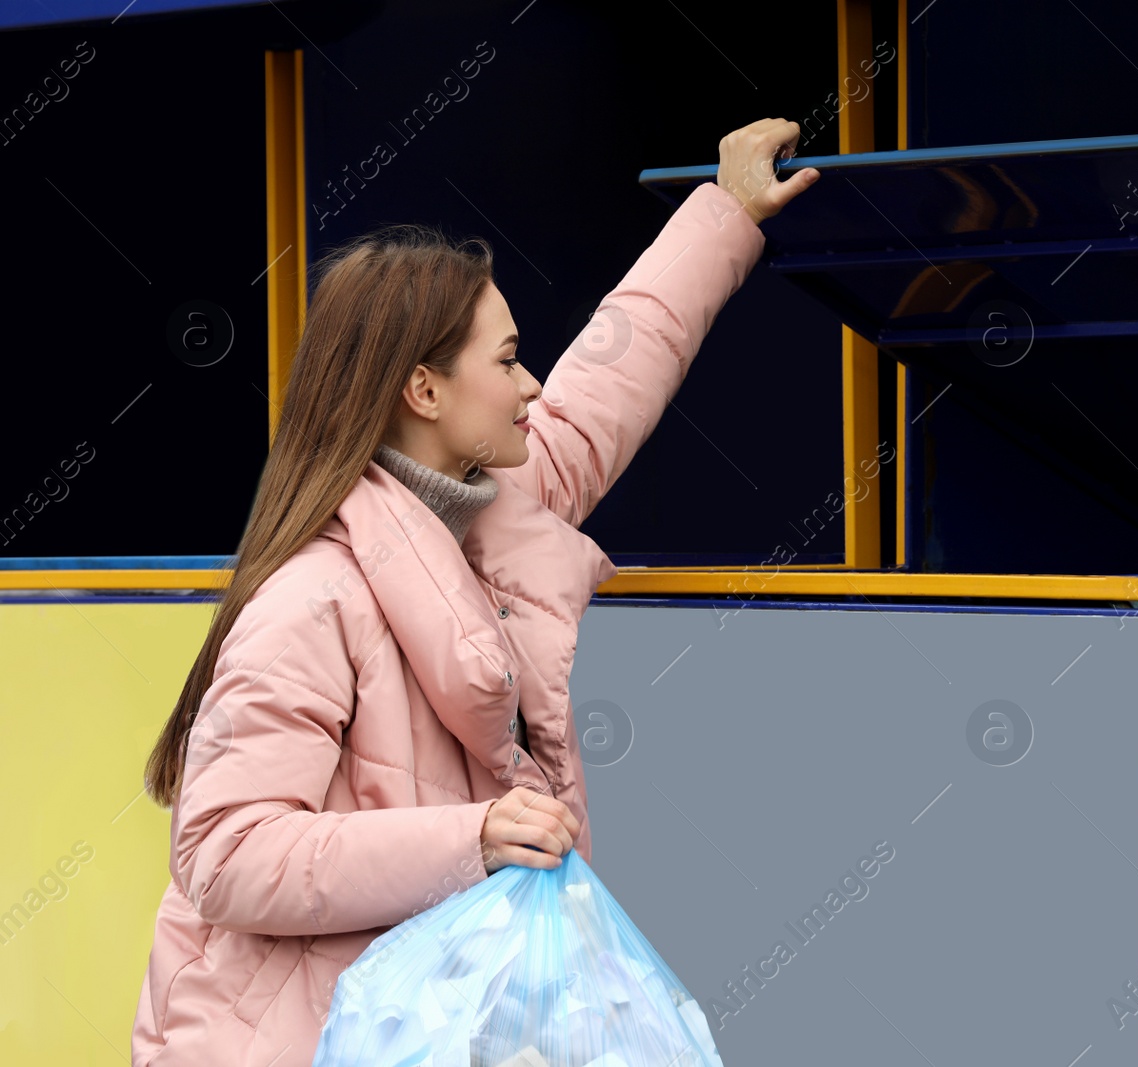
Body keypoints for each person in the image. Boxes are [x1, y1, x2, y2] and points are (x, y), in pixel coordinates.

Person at [130, 118, 820, 1067]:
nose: (531, 385)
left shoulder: (499, 508)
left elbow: (613, 373)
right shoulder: (311, 599)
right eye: (504, 361)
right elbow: (225, 853)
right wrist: (475, 836)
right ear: (423, 389)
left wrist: (729, 211)